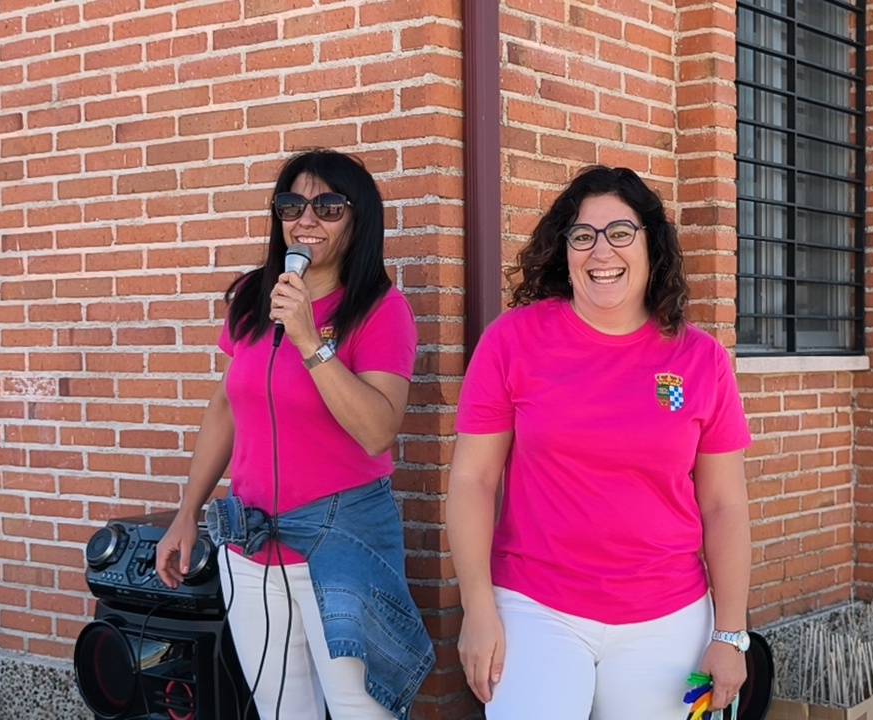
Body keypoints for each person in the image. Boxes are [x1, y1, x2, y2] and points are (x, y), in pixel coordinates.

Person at [446, 166, 753, 719]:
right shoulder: (513, 342)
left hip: (668, 617)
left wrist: (731, 635)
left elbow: (724, 504)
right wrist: (477, 606)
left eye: (620, 232)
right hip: (535, 607)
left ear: (651, 243)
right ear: (564, 250)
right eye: (583, 236)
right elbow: (473, 479)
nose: (600, 251)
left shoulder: (700, 360)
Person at [155, 149, 433, 720]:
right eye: (292, 204)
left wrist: (310, 339)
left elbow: (378, 431)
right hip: (251, 540)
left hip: (343, 536)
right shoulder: (255, 298)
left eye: (328, 206)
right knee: (281, 707)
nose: (306, 220)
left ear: (359, 220)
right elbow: (225, 410)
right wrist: (187, 510)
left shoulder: (382, 311)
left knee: (363, 708)